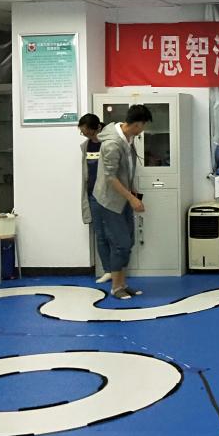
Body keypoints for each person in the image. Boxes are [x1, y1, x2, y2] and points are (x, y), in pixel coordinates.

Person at [92, 104, 152, 300]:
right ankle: (116, 287)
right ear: (137, 124)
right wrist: (132, 198)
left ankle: (123, 284)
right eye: (143, 125)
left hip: (123, 197)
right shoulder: (112, 144)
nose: (143, 129)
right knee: (120, 244)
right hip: (110, 200)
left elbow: (127, 170)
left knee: (128, 241)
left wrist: (132, 193)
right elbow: (110, 177)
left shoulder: (128, 138)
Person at [78, 114, 111, 284]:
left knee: (116, 234)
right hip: (93, 196)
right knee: (100, 235)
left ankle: (118, 270)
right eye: (83, 133)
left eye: (87, 132)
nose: (86, 136)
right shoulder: (86, 146)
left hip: (111, 196)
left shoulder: (110, 143)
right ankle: (108, 270)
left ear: (97, 128)